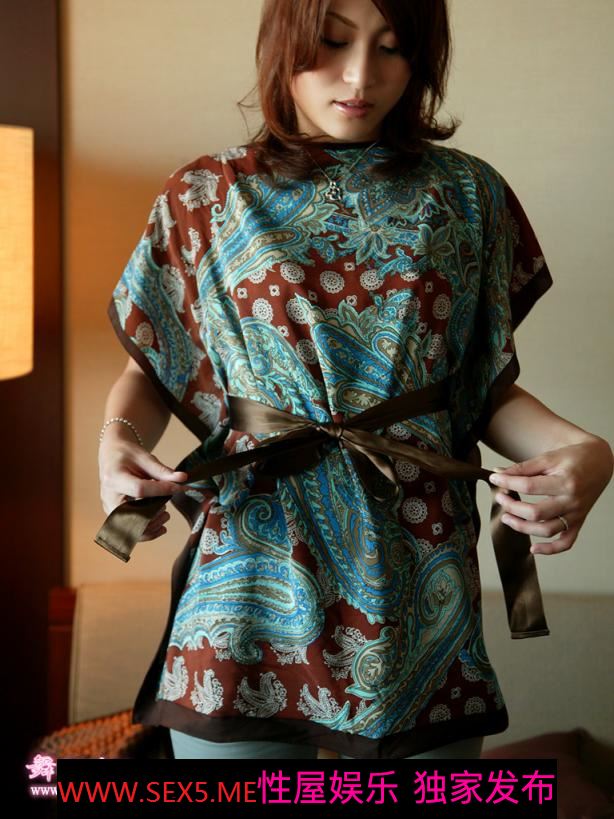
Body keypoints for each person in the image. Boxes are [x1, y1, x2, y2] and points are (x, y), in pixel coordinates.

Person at [97, 0, 613, 761]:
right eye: (332, 43)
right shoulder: (205, 194)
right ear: (283, 44)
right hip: (250, 567)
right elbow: (151, 368)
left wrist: (590, 453)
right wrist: (116, 444)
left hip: (414, 566)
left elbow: (478, 392)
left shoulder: (468, 194)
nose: (361, 76)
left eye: (392, 48)